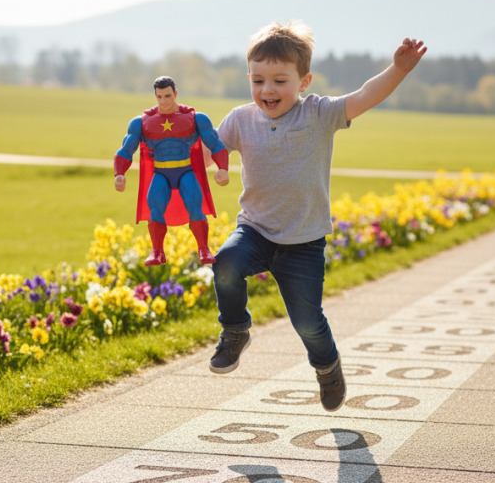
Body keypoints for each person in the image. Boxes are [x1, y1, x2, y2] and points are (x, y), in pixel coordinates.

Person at [209, 21, 427, 412]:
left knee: (308, 322)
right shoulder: (240, 119)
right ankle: (235, 330)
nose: (267, 90)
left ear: (304, 80)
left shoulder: (320, 114)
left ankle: (327, 369)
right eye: (258, 81)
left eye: (279, 80)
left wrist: (399, 69)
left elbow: (364, 95)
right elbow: (204, 147)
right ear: (249, 79)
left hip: (303, 243)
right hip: (255, 229)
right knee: (225, 262)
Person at [114, 76, 230, 265]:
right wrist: (119, 173)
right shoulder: (142, 122)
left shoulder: (194, 118)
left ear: (175, 94)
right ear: (155, 96)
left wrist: (222, 169)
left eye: (167, 96)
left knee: (195, 207)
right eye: (159, 97)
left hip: (185, 171)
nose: (163, 101)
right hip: (161, 173)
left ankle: (203, 248)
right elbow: (126, 149)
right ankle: (157, 251)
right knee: (155, 209)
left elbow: (215, 144)